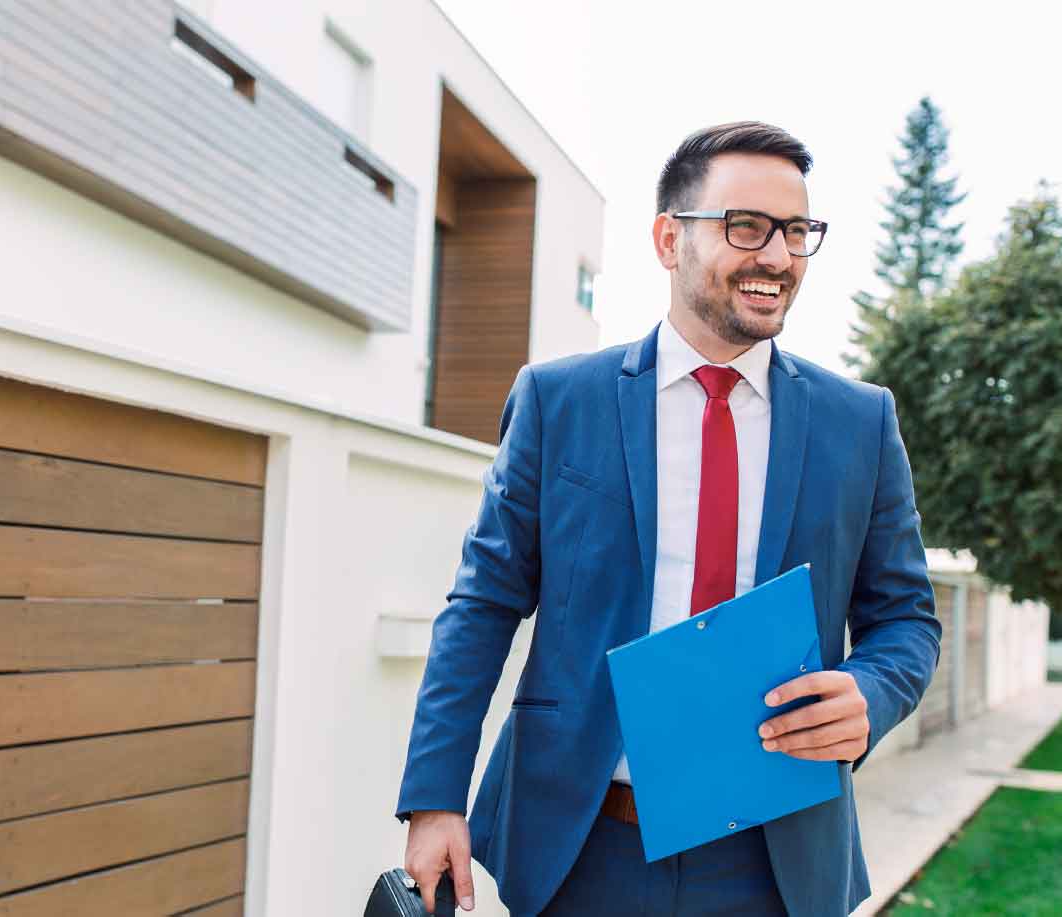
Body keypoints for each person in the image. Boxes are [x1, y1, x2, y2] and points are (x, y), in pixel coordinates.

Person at [395, 122, 941, 917]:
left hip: (775, 861)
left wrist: (872, 691)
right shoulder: (560, 401)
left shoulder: (859, 422)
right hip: (582, 850)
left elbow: (908, 620)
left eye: (797, 232)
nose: (779, 258)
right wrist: (433, 795)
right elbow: (481, 605)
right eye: (746, 227)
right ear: (667, 238)